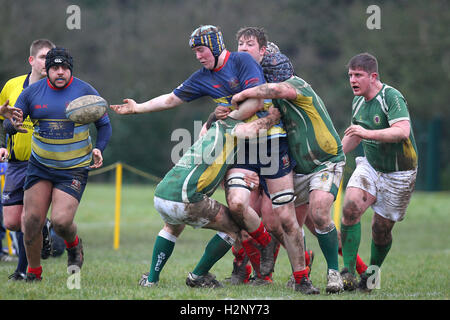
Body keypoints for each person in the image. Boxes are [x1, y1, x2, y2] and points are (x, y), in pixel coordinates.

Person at [111, 25, 318, 294]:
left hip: (270, 142)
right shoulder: (202, 77)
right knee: (237, 206)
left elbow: (255, 103)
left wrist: (225, 118)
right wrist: (138, 107)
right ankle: (263, 250)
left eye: (201, 49)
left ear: (216, 46)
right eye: (195, 51)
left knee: (284, 217)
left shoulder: (241, 61)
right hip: (239, 147)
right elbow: (172, 99)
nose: (198, 56)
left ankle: (301, 278)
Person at [231, 52, 348, 293]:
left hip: (325, 162)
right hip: (299, 169)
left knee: (320, 213)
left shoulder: (297, 85)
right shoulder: (273, 104)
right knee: (275, 222)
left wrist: (243, 93)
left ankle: (334, 273)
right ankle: (303, 269)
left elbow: (277, 90)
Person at [12, 47, 112, 281]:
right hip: (40, 166)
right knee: (31, 220)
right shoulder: (32, 93)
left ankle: (73, 244)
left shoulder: (85, 91)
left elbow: (104, 125)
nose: (60, 72)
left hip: (73, 168)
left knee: (61, 222)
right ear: (46, 70)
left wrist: (99, 148)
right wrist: (12, 125)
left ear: (70, 70)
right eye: (54, 68)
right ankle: (33, 273)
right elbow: (10, 125)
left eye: (64, 68)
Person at [339, 52, 418, 292]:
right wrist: (335, 158)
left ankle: (371, 276)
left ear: (373, 76)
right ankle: (348, 274)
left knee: (380, 230)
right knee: (350, 207)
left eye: (358, 75)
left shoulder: (391, 97)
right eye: (350, 75)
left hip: (399, 172)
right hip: (371, 166)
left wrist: (366, 133)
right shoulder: (358, 100)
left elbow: (402, 131)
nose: (353, 80)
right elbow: (354, 135)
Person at [0, 39, 56, 281]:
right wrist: (2, 144)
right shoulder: (12, 86)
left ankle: (23, 270)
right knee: (11, 221)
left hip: (44, 164)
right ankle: (43, 229)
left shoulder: (58, 89)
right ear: (31, 60)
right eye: (43, 57)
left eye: (51, 58)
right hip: (16, 162)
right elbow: (1, 118)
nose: (48, 62)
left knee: (27, 219)